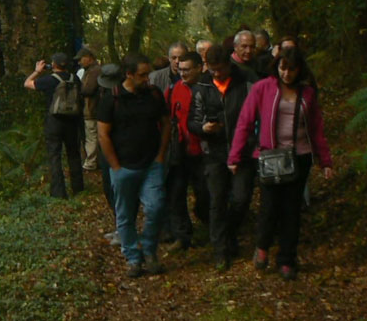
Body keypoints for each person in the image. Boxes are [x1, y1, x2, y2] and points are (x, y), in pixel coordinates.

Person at [229, 47, 333, 280]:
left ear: (299, 69)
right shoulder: (262, 88)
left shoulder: (307, 93)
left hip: (299, 157)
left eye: (291, 69)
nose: (286, 73)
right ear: (276, 67)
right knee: (269, 207)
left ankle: (287, 258)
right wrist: (235, 156)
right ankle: (263, 246)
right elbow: (245, 122)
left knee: (291, 210)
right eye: (282, 68)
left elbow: (316, 129)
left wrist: (325, 160)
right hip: (269, 157)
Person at [98, 54, 170, 278]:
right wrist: (116, 167)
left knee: (156, 207)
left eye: (148, 74)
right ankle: (133, 257)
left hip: (151, 165)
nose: (147, 79)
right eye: (142, 75)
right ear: (128, 74)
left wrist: (160, 155)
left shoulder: (154, 95)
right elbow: (103, 134)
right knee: (125, 215)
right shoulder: (112, 99)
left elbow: (167, 123)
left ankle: (148, 250)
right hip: (124, 167)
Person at [189, 45, 256, 270]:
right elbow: (192, 120)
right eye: (212, 69)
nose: (216, 74)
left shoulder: (245, 82)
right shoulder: (202, 86)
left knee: (241, 198)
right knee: (216, 202)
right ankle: (220, 250)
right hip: (214, 153)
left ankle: (229, 233)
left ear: (228, 64)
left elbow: (256, 114)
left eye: (220, 69)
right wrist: (203, 128)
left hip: (243, 152)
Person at [164, 50, 209, 250]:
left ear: (200, 68)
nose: (183, 73)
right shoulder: (173, 90)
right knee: (176, 194)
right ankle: (182, 235)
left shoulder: (210, 89)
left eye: (187, 69)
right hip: (179, 151)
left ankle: (210, 225)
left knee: (205, 193)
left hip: (204, 151)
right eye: (180, 69)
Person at [25, 52, 84, 199]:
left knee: (54, 156)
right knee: (74, 154)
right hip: (72, 121)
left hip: (54, 122)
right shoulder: (75, 78)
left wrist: (37, 71)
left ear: (54, 65)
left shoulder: (49, 80)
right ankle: (78, 189)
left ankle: (58, 193)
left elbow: (27, 83)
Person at [95, 63, 126, 245]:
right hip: (106, 149)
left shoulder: (122, 97)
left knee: (120, 191)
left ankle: (124, 230)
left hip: (120, 149)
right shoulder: (105, 96)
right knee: (109, 188)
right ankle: (119, 227)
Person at [75, 47, 103, 171]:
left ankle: (91, 162)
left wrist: (77, 89)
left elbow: (88, 89)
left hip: (93, 109)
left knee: (92, 136)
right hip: (92, 109)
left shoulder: (95, 71)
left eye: (81, 59)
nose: (79, 62)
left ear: (89, 58)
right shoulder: (91, 70)